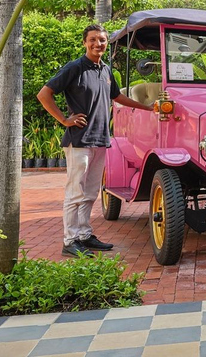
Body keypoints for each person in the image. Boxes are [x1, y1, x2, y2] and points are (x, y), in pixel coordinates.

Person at [37, 24, 154, 258]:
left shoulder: (105, 70)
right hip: (79, 140)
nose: (97, 44)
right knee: (75, 192)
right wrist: (64, 120)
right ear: (84, 42)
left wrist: (147, 108)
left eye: (101, 40)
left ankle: (84, 235)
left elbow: (117, 96)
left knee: (90, 192)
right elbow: (44, 94)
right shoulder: (75, 68)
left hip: (100, 139)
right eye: (92, 39)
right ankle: (70, 241)